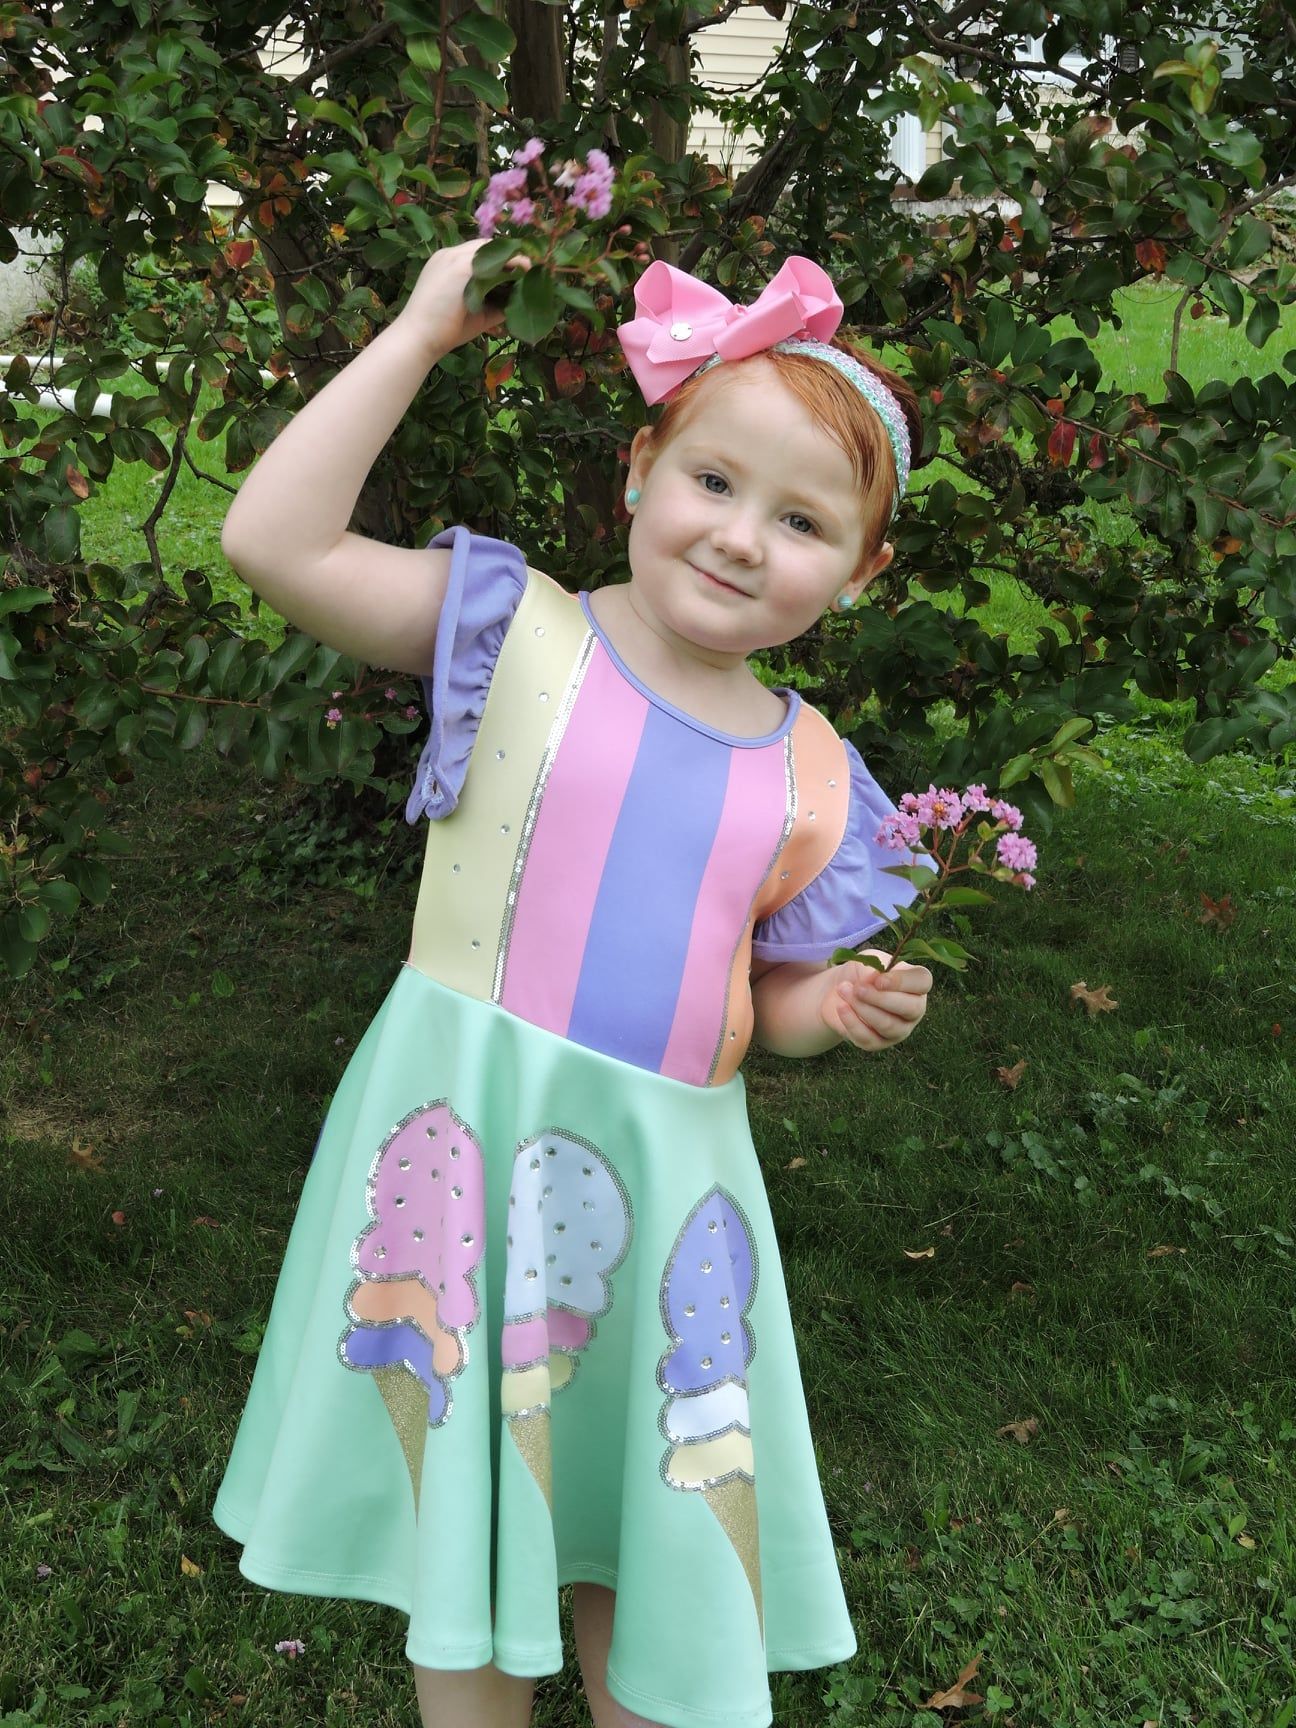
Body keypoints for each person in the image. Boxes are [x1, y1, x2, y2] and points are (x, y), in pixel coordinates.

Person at [213, 236, 935, 1728]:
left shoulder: (812, 775)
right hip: (469, 1133)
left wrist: (832, 1011)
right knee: (466, 1503)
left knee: (635, 1506)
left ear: (863, 573)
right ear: (641, 468)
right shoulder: (518, 633)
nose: (741, 537)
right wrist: (419, 334)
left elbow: (764, 1000)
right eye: (715, 482)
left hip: (668, 1182)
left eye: (803, 520)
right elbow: (273, 547)